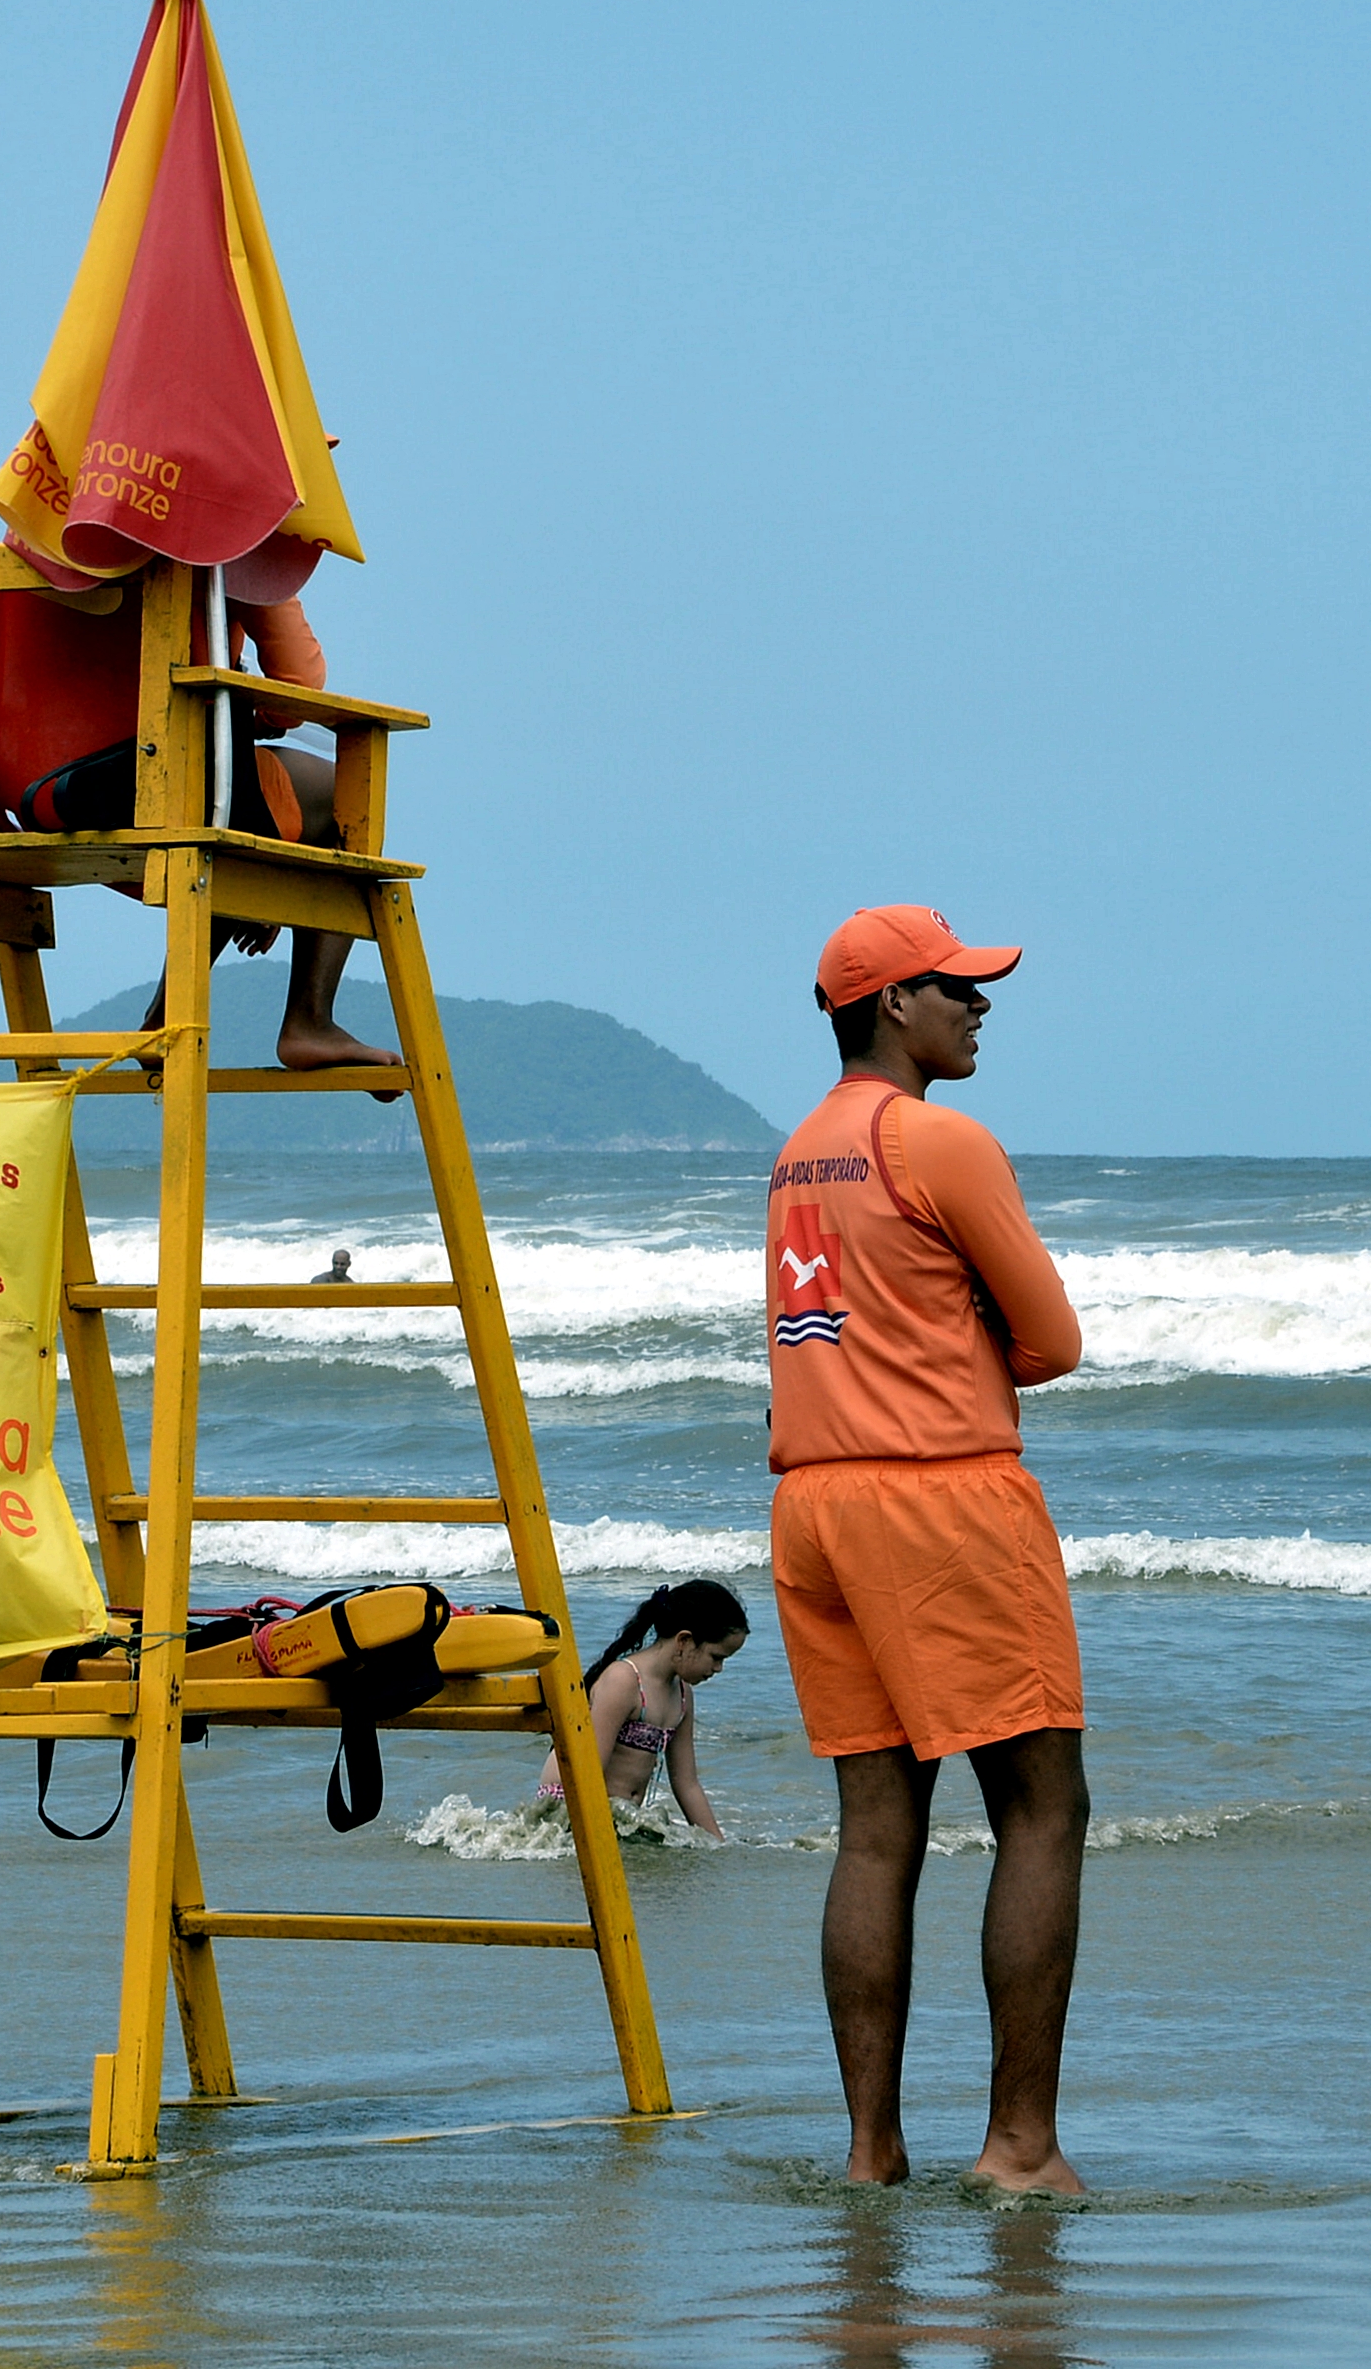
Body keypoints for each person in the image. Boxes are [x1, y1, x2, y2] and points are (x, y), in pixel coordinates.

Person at [766, 905, 1090, 2195]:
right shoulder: (939, 1142)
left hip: (815, 1504)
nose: (980, 1003)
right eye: (956, 985)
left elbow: (823, 1333)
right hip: (940, 1496)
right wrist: (966, 1361)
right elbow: (1054, 1342)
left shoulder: (801, 1154)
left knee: (876, 1831)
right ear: (891, 1004)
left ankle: (870, 2152)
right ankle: (1019, 2145)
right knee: (1042, 1807)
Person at [0, 579, 402, 1080]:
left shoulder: (38, 535)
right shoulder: (222, 541)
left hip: (27, 791)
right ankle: (310, 1019)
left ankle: (165, 1014)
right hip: (155, 792)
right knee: (335, 791)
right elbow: (297, 690)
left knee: (218, 811)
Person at [538, 1579, 748, 1840]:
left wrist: (718, 1844)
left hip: (621, 1817)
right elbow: (587, 1770)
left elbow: (687, 1784)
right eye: (716, 1657)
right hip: (566, 1809)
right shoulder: (624, 1681)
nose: (718, 1669)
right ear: (684, 1640)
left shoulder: (682, 1695)